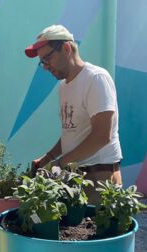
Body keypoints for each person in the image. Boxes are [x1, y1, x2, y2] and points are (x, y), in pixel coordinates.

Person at [25, 25, 123, 203]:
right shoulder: (64, 86)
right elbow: (72, 132)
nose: (46, 67)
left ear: (66, 48)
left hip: (100, 177)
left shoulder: (96, 79)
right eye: (42, 63)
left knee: (98, 230)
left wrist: (60, 164)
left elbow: (102, 136)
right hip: (76, 175)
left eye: (47, 59)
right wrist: (49, 157)